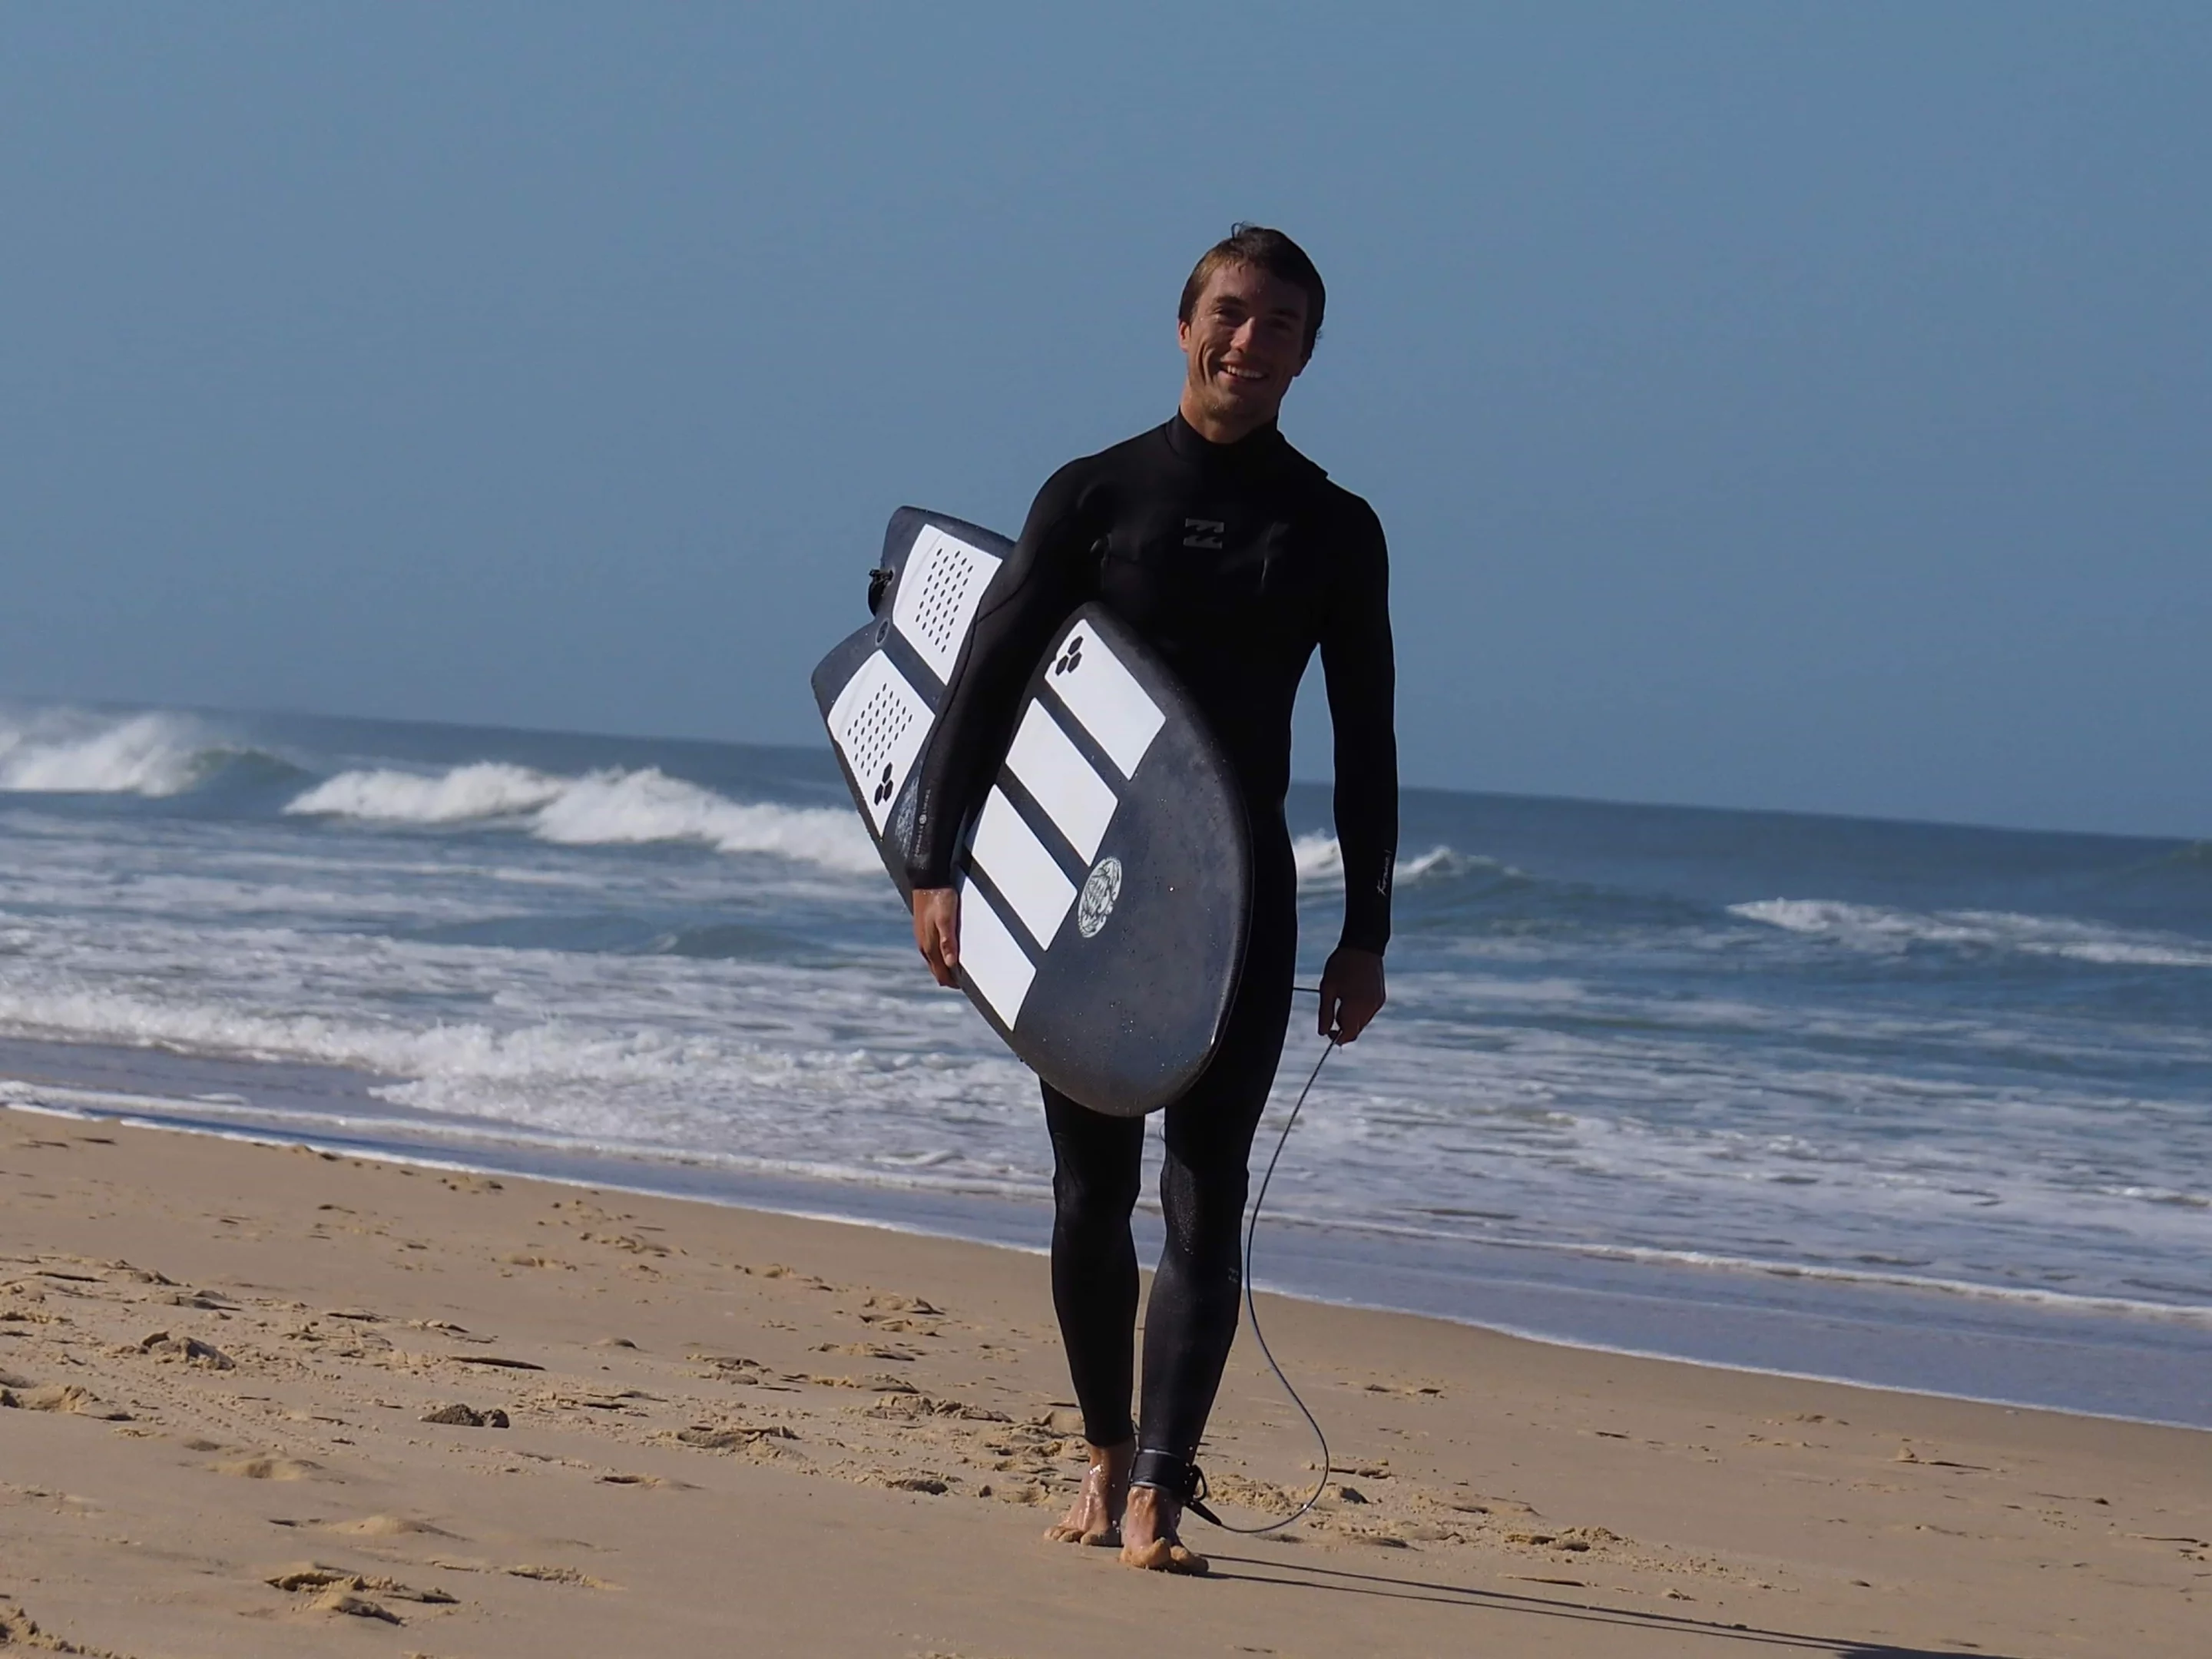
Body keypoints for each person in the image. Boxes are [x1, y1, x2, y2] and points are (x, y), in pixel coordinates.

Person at [906, 224, 1396, 1575]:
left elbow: (1368, 743)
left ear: (1309, 350)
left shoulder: (1336, 531)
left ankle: (1161, 1492)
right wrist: (934, 864)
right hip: (1094, 899)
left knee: (1206, 1198)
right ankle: (1104, 1446)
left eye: (1281, 323)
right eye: (1231, 314)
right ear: (1183, 325)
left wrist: (1367, 932)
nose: (1251, 342)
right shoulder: (1094, 496)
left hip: (1241, 909)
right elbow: (986, 682)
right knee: (1086, 1194)